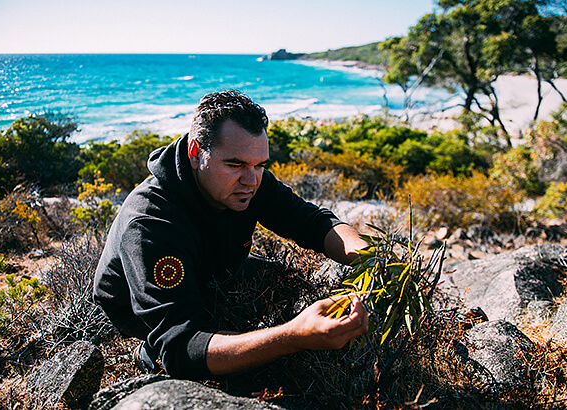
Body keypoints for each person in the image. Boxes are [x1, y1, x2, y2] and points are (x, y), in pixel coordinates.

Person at [93, 89, 369, 381]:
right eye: (235, 165)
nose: (251, 180)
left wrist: (369, 257)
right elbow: (182, 346)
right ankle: (150, 351)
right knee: (230, 354)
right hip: (145, 304)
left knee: (285, 284)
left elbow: (312, 221)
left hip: (215, 268)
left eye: (260, 165)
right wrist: (292, 336)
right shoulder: (150, 223)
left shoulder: (246, 180)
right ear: (196, 153)